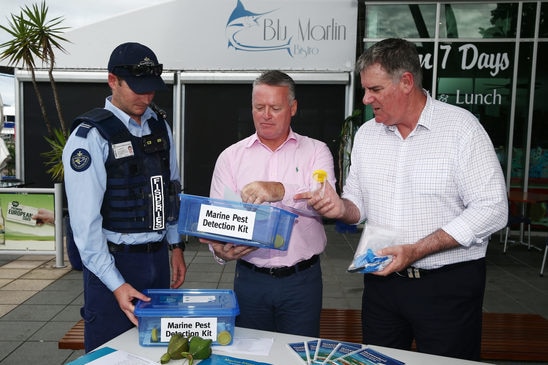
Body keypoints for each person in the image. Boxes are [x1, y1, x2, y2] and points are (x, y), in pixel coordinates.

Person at [295, 38, 508, 360]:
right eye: (365, 90)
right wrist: (340, 208)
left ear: (406, 82)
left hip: (446, 287)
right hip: (382, 285)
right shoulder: (367, 135)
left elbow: (492, 209)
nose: (367, 99)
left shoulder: (461, 129)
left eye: (375, 89)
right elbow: (357, 204)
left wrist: (417, 250)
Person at [62, 42, 187, 352]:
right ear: (112, 81)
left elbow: (170, 189)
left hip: (157, 261)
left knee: (159, 350)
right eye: (138, 88)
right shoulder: (90, 138)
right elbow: (85, 227)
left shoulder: (160, 127)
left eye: (151, 89)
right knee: (110, 353)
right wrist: (116, 285)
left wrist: (175, 247)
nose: (146, 97)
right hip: (112, 265)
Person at [201, 70, 335, 337]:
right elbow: (215, 219)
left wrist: (280, 190)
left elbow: (324, 201)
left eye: (275, 107)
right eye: (259, 107)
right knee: (251, 354)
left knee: (299, 354)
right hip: (250, 280)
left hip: (302, 282)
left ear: (293, 108)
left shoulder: (316, 151)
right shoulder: (230, 158)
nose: (266, 115)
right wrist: (219, 251)